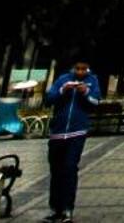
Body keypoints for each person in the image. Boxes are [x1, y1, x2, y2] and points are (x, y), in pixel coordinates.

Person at [44, 60, 101, 222]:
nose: (81, 72)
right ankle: (55, 209)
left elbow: (96, 102)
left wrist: (85, 93)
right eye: (78, 68)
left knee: (69, 168)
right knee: (56, 171)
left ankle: (68, 208)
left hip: (77, 133)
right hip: (58, 132)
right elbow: (49, 99)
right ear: (73, 68)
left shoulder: (92, 81)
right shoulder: (63, 79)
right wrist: (63, 90)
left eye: (84, 68)